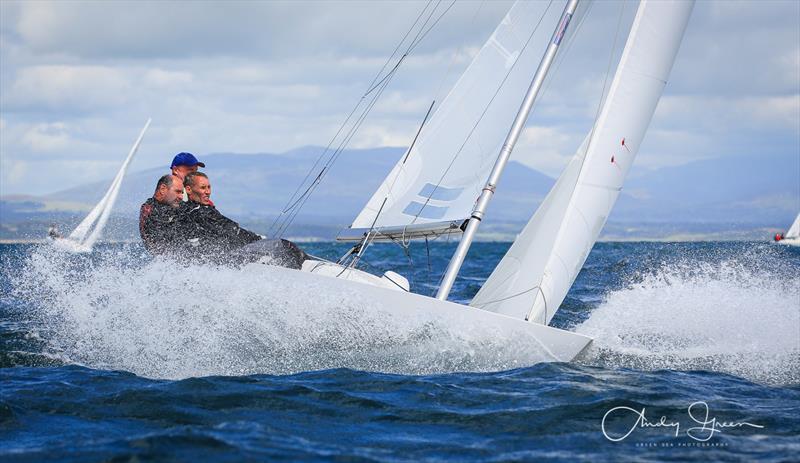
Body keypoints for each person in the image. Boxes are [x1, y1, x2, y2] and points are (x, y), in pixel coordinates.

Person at [174, 172, 307, 267]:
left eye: (209, 187)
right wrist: (257, 239)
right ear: (189, 190)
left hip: (218, 259)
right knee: (283, 245)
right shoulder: (199, 212)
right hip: (226, 259)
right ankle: (306, 266)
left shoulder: (186, 210)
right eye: (203, 188)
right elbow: (232, 231)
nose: (208, 192)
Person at [139, 174, 184, 254]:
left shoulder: (175, 205)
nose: (181, 197)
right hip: (169, 258)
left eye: (182, 193)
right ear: (163, 189)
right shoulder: (149, 209)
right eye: (177, 192)